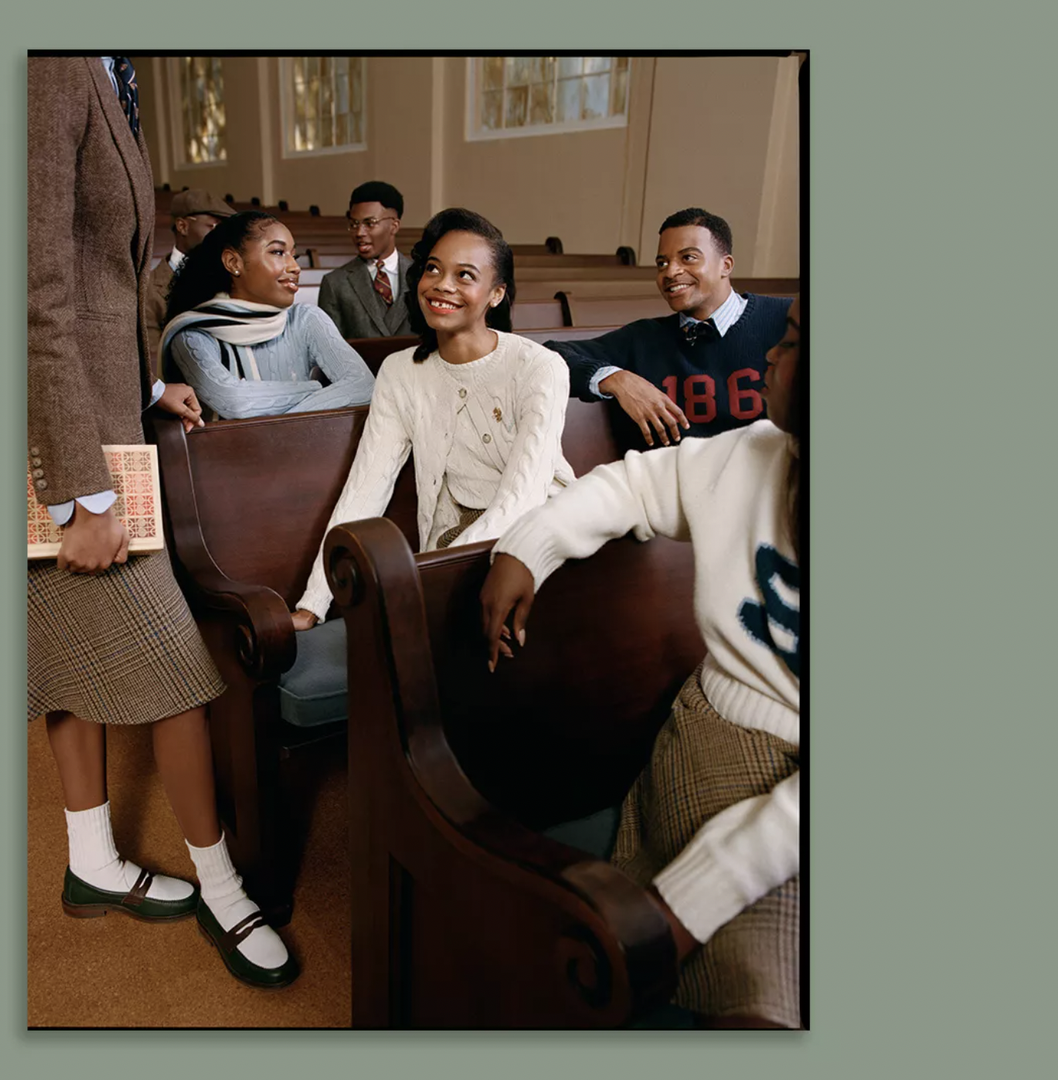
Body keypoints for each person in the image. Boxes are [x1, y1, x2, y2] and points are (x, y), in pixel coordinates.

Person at [28, 56, 297, 991]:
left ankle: (90, 860)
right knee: (178, 672)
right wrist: (79, 492)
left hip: (99, 413)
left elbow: (95, 271)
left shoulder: (109, 68)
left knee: (66, 647)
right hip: (63, 444)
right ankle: (224, 886)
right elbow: (29, 287)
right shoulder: (46, 61)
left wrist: (145, 385)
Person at [482, 295, 807, 1027]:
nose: (768, 358)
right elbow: (633, 482)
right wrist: (526, 551)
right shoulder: (750, 452)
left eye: (788, 343)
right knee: (768, 990)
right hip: (729, 739)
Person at [292, 208, 575, 629]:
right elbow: (366, 487)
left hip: (540, 539)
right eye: (433, 269)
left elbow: (523, 497)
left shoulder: (539, 367)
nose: (442, 285)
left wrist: (432, 576)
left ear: (496, 294)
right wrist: (313, 603)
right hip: (447, 550)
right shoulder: (400, 371)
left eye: (465, 275)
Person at [548, 208, 792, 452]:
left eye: (688, 258)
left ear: (725, 266)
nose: (671, 272)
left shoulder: (787, 319)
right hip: (672, 483)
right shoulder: (643, 338)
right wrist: (615, 378)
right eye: (662, 263)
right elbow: (546, 357)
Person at [160, 210, 375, 420]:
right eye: (278, 252)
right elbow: (235, 402)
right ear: (234, 263)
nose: (295, 267)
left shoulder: (305, 319)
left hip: (305, 447)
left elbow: (363, 386)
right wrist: (318, 388)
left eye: (294, 255)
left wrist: (281, 424)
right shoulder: (193, 334)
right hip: (228, 453)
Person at [315, 180, 414, 339]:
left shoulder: (420, 275)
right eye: (354, 224)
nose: (359, 232)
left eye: (370, 223)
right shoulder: (335, 283)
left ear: (394, 226)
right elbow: (331, 350)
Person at [141, 187, 233, 341]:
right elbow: (154, 355)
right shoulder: (149, 288)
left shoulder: (232, 276)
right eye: (214, 227)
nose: (220, 236)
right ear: (182, 226)